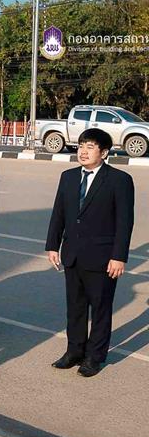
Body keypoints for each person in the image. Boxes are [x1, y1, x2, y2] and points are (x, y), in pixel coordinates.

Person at [46, 128, 134, 377]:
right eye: (81, 146)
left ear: (104, 152)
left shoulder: (119, 180)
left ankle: (95, 357)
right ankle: (74, 351)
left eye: (90, 146)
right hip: (72, 254)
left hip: (103, 258)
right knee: (74, 307)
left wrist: (119, 256)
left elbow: (124, 222)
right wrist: (53, 245)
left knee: (101, 309)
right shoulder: (68, 177)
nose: (83, 151)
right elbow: (59, 213)